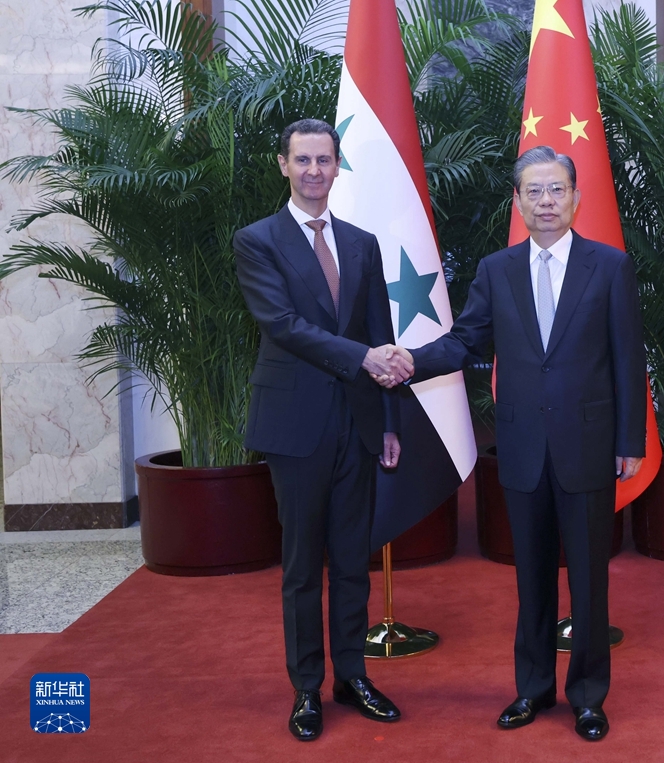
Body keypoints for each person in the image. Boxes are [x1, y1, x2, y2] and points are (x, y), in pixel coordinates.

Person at [378, 146, 646, 741]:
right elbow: (466, 342)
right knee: (531, 580)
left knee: (589, 582)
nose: (546, 202)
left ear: (576, 198)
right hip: (523, 449)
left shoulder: (609, 267)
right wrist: (409, 361)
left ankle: (588, 697)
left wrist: (630, 439)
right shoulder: (497, 270)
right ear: (518, 202)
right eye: (534, 192)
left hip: (589, 445)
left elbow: (629, 359)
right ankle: (532, 690)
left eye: (556, 191)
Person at [234, 118, 413, 742]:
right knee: (303, 565)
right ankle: (307, 687)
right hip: (296, 426)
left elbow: (377, 330)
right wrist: (362, 359)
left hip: (359, 423)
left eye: (325, 160)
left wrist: (388, 418)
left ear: (338, 168)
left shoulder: (362, 243)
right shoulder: (257, 240)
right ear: (283, 165)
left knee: (353, 562)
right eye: (302, 160)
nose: (314, 171)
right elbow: (281, 324)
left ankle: (353, 676)